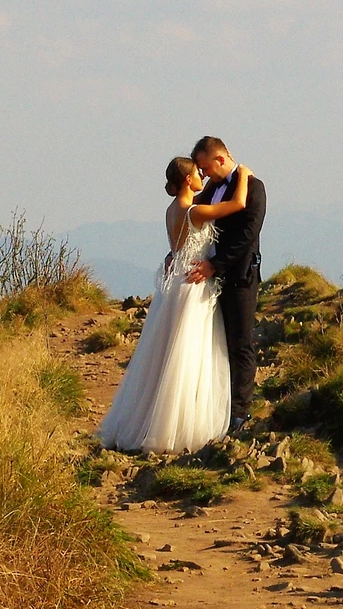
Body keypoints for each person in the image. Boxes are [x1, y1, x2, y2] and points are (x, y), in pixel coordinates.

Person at [96, 154, 253, 454]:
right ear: (187, 180)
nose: (202, 178)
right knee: (189, 353)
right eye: (197, 173)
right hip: (193, 283)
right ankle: (178, 427)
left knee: (165, 353)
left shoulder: (172, 209)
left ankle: (151, 422)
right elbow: (237, 205)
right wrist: (243, 175)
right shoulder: (194, 211)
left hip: (173, 285)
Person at [185, 136, 266, 434]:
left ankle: (240, 414)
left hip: (240, 277)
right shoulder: (211, 190)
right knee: (215, 343)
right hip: (211, 280)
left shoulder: (253, 188)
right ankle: (216, 407)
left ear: (220, 159)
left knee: (241, 344)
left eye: (205, 168)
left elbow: (246, 236)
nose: (203, 174)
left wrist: (214, 266)